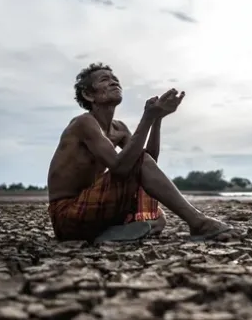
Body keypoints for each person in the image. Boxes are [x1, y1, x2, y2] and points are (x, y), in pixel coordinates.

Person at [47, 62, 237, 243]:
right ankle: (198, 223)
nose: (114, 82)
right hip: (66, 216)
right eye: (105, 80)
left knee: (159, 216)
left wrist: (157, 119)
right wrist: (146, 118)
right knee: (148, 202)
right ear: (88, 95)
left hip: (92, 207)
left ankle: (105, 233)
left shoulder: (118, 128)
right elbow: (121, 168)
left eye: (116, 79)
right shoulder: (84, 123)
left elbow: (147, 162)